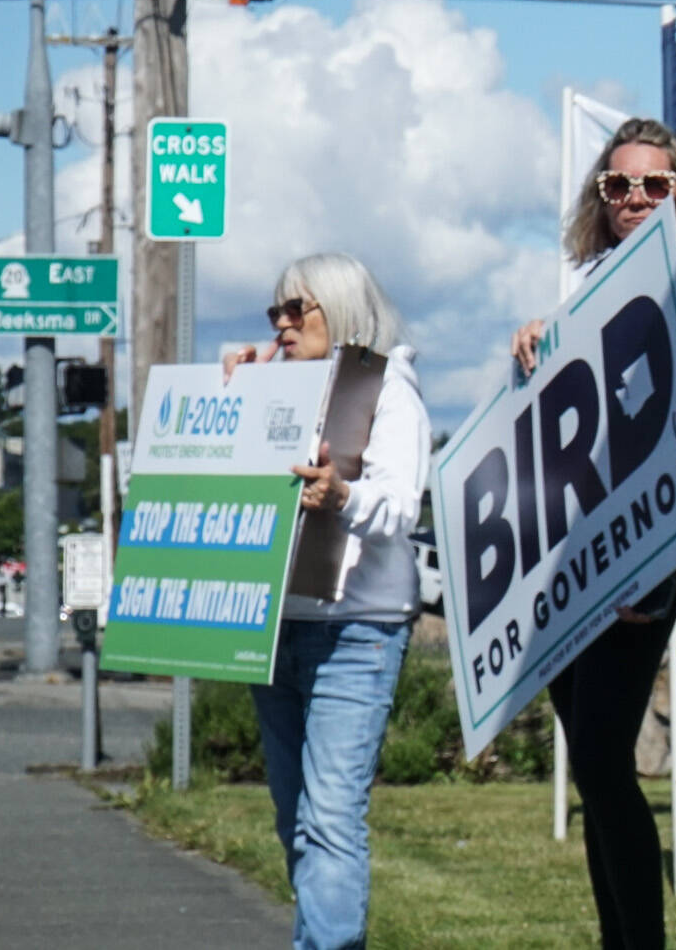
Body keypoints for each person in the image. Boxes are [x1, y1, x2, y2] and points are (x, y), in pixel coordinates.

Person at [510, 116, 676, 950]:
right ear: (600, 197)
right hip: (577, 552)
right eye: (619, 185)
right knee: (593, 766)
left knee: (607, 759)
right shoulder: (593, 289)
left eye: (655, 184)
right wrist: (535, 350)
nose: (636, 199)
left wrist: (654, 576)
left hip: (646, 558)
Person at [225, 253, 427, 950]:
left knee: (330, 817)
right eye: (274, 312)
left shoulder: (388, 390)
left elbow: (399, 507)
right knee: (295, 818)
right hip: (278, 624)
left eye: (296, 309)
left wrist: (343, 495)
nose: (281, 324)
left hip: (357, 627)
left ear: (339, 311)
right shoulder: (274, 387)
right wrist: (232, 395)